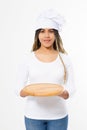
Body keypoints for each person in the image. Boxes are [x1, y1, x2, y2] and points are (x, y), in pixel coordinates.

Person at [16, 9, 76, 130]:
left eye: (51, 31)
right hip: (33, 116)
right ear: (37, 35)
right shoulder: (28, 58)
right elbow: (18, 88)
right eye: (42, 31)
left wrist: (65, 93)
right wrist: (26, 92)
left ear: (56, 35)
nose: (47, 35)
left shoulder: (65, 58)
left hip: (58, 116)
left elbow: (72, 86)